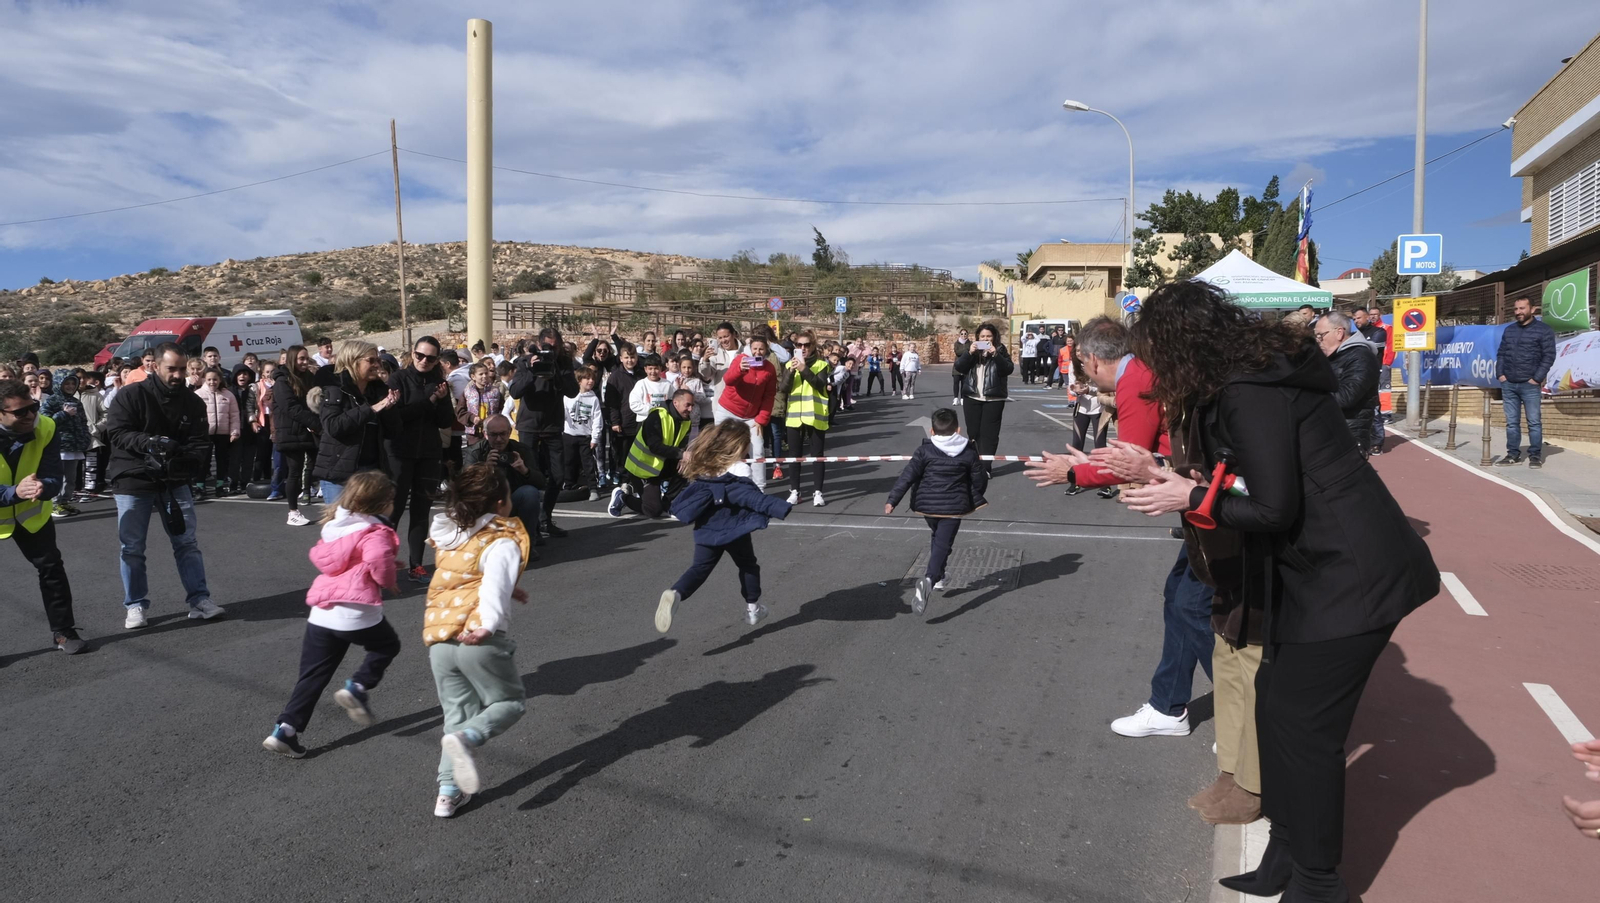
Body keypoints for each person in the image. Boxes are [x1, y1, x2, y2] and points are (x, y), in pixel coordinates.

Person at [1120, 279, 1438, 901]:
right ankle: (1285, 854)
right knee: (1272, 704)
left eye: (1156, 352)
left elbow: (1270, 506)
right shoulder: (1250, 376)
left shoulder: (1248, 389)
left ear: (1183, 345)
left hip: (1352, 572)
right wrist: (1176, 477)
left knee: (1305, 733)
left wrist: (1186, 495)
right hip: (1316, 568)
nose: (1151, 369)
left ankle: (1319, 884)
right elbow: (1249, 478)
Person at [262, 471, 403, 758]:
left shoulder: (336, 527)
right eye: (391, 500)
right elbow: (376, 559)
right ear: (381, 503)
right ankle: (358, 687)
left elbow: (347, 559)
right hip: (356, 611)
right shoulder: (375, 531)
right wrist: (389, 580)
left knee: (313, 674)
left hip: (322, 613)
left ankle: (286, 730)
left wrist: (387, 563)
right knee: (387, 645)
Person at [423, 464, 533, 817]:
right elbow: (493, 583)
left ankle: (447, 793)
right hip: (477, 640)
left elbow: (465, 579)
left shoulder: (454, 537)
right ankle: (468, 739)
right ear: (501, 503)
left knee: (455, 715)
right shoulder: (501, 539)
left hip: (440, 643)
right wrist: (487, 624)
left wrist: (508, 591)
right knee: (510, 703)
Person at [102, 343, 224, 628]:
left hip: (175, 481)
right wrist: (152, 444)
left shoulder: (193, 402)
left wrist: (188, 461)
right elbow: (117, 433)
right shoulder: (131, 395)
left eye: (182, 369)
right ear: (154, 366)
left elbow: (199, 442)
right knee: (131, 547)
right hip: (132, 479)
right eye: (172, 368)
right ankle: (135, 606)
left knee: (187, 543)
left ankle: (199, 600)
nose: (178, 375)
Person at [656, 421, 793, 633]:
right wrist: (781, 507)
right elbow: (750, 498)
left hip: (707, 531)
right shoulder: (739, 471)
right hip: (734, 531)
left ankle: (676, 593)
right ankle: (753, 609)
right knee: (748, 565)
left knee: (699, 569)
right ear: (738, 446)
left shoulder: (705, 468)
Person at [0, 379, 86, 654]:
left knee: (51, 568)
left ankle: (63, 631)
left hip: (30, 515)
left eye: (33, 407)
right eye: (20, 412)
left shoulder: (46, 426)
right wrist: (14, 492)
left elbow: (53, 475)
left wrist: (43, 487)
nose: (30, 415)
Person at [885, 407, 988, 616]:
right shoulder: (968, 451)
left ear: (932, 431)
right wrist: (975, 493)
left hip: (927, 507)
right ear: (958, 429)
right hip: (954, 506)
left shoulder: (924, 451)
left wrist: (892, 500)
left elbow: (907, 476)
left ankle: (940, 576)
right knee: (943, 542)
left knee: (938, 538)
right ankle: (930, 579)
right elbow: (979, 479)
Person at [386, 337, 456, 582]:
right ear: (412, 353)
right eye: (420, 355)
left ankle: (416, 566)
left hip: (428, 453)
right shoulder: (398, 379)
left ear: (438, 359)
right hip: (399, 453)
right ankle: (383, 565)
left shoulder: (440, 383)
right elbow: (398, 417)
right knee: (392, 511)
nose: (424, 361)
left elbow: (445, 421)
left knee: (420, 511)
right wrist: (430, 401)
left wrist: (441, 400)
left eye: (431, 357)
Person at [509, 327, 581, 539]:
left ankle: (545, 519)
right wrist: (532, 371)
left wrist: (556, 373)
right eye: (548, 346)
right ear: (539, 345)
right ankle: (528, 526)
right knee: (527, 475)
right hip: (529, 424)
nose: (551, 350)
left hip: (552, 425)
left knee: (558, 476)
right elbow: (515, 391)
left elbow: (573, 391)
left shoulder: (564, 363)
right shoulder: (524, 361)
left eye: (555, 347)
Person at [314, 340, 401, 507]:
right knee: (342, 529)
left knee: (368, 528)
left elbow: (394, 432)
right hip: (340, 474)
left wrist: (389, 409)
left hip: (371, 472)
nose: (377, 365)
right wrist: (372, 409)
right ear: (353, 361)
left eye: (378, 361)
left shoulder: (378, 391)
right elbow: (334, 426)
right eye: (371, 360)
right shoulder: (334, 389)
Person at [609, 388, 695, 520]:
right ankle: (623, 497)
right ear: (676, 402)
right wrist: (682, 455)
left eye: (692, 405)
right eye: (687, 405)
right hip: (642, 469)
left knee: (688, 465)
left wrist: (684, 456)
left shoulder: (686, 421)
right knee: (653, 511)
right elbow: (654, 446)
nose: (690, 409)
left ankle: (668, 503)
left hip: (660, 465)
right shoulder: (657, 416)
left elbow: (682, 445)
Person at [464, 414, 545, 545]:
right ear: (485, 434)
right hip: (485, 505)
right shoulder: (475, 452)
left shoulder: (521, 450)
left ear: (510, 432)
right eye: (493, 435)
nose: (499, 439)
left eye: (503, 434)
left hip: (511, 502)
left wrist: (524, 470)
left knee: (529, 492)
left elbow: (542, 483)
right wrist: (485, 469)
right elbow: (465, 488)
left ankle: (527, 543)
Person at [1495, 295, 1557, 468]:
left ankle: (1535, 456)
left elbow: (1549, 356)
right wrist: (1500, 374)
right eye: (1516, 309)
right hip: (1509, 384)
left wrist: (1536, 378)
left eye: (1522, 308)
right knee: (1512, 423)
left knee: (1534, 422)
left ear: (1532, 309)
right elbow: (1501, 353)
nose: (1518, 312)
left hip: (1529, 385)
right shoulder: (1509, 330)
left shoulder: (1544, 330)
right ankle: (1512, 455)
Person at [714, 335, 778, 492]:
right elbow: (728, 380)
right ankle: (719, 484)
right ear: (750, 349)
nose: (757, 352)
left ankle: (759, 489)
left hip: (751, 417)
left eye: (761, 349)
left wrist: (761, 419)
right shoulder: (740, 359)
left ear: (766, 351)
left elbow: (769, 396)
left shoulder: (769, 368)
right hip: (728, 410)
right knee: (723, 448)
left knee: (758, 449)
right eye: (755, 348)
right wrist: (739, 370)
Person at [1316, 311, 1379, 457]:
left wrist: (1308, 394)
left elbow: (1346, 397)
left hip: (1348, 436)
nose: (1318, 340)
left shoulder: (1361, 357)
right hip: (1330, 433)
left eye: (1321, 335)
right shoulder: (1333, 356)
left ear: (1339, 333)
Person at [953, 322, 1012, 476]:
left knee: (990, 435)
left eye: (989, 336)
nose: (986, 339)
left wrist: (995, 355)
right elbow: (959, 367)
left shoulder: (1000, 350)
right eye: (983, 336)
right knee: (973, 433)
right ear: (978, 337)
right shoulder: (971, 349)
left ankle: (985, 467)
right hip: (972, 396)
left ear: (994, 338)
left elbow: (1007, 369)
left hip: (994, 399)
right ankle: (975, 465)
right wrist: (969, 353)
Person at [272, 345, 321, 526]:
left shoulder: (310, 378)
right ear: (292, 359)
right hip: (291, 432)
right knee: (294, 471)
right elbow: (290, 408)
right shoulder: (282, 381)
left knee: (323, 465)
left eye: (306, 358)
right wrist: (315, 424)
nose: (304, 362)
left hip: (309, 431)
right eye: (301, 359)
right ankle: (293, 512)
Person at [783, 331, 832, 507]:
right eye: (799, 345)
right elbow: (784, 388)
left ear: (812, 347)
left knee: (817, 455)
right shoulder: (790, 364)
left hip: (815, 415)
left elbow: (820, 385)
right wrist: (791, 371)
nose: (802, 348)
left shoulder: (821, 365)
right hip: (794, 416)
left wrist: (804, 369)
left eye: (806, 345)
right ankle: (795, 491)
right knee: (794, 455)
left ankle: (818, 492)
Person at [42, 373, 90, 514]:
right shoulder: (51, 401)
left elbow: (83, 422)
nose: (70, 387)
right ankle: (55, 503)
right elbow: (46, 422)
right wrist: (63, 414)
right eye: (66, 384)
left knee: (71, 478)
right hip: (59, 446)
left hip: (75, 446)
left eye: (72, 384)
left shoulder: (77, 402)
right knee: (59, 477)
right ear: (59, 384)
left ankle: (64, 501)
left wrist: (85, 437)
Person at [603, 345, 645, 487]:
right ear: (621, 358)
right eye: (626, 357)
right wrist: (615, 422)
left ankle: (636, 481)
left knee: (638, 454)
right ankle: (624, 482)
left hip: (639, 421)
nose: (630, 360)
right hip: (623, 422)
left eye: (632, 357)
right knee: (623, 454)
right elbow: (612, 403)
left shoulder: (642, 374)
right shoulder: (615, 377)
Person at [195, 368, 240, 497]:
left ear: (220, 380)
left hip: (223, 433)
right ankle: (200, 487)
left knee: (222, 461)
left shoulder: (228, 395)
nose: (212, 382)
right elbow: (195, 416)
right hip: (205, 434)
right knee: (203, 461)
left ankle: (219, 486)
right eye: (209, 379)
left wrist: (234, 432)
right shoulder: (198, 394)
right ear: (204, 379)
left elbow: (234, 415)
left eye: (215, 379)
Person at [561, 367, 603, 497]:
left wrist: (595, 438)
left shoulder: (593, 399)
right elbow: (563, 412)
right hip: (569, 435)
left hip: (585, 436)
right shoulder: (568, 397)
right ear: (579, 380)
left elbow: (597, 419)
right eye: (587, 378)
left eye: (592, 379)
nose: (590, 381)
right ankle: (568, 485)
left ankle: (593, 488)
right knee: (569, 462)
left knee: (588, 463)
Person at [228, 366, 263, 491]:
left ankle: (245, 482)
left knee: (248, 458)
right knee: (235, 458)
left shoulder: (253, 390)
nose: (242, 377)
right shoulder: (230, 391)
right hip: (235, 428)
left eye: (245, 374)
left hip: (250, 429)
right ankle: (233, 482)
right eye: (239, 374)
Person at [79, 371, 109, 495]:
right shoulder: (66, 395)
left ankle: (90, 490)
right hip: (73, 438)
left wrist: (97, 428)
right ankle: (75, 491)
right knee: (74, 468)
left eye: (83, 378)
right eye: (77, 378)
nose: (80, 381)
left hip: (92, 437)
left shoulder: (94, 394)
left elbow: (106, 414)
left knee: (91, 466)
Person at [673, 354, 714, 431]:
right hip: (679, 417)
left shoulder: (696, 381)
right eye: (684, 367)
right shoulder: (677, 380)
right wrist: (677, 387)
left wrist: (690, 391)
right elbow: (673, 397)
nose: (686, 370)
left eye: (689, 367)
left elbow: (702, 399)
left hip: (693, 418)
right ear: (680, 368)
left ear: (693, 368)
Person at [629, 354, 673, 420]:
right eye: (650, 369)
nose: (653, 372)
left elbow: (672, 401)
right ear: (645, 369)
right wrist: (652, 409)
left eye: (656, 368)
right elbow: (634, 405)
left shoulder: (667, 384)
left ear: (660, 368)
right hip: (645, 420)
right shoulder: (641, 384)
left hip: (663, 420)